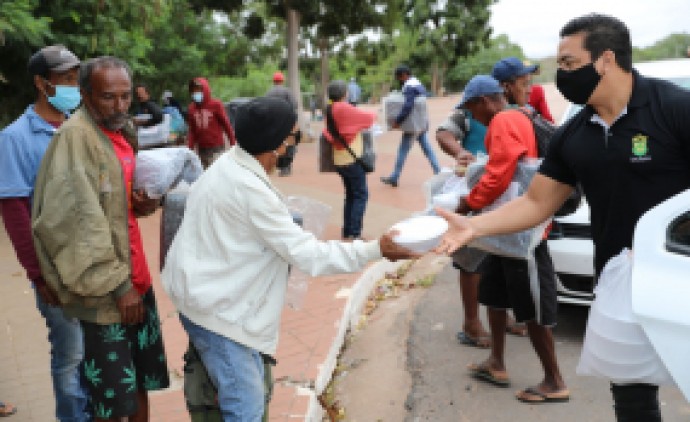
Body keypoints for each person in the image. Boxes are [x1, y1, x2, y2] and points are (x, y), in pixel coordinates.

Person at [435, 13, 690, 420]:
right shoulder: (575, 134)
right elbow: (538, 203)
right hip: (619, 278)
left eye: (569, 63)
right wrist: (473, 225)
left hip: (681, 275)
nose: (561, 75)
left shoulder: (674, 108)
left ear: (605, 60)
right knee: (631, 398)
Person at [161, 96, 419, 420]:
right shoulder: (247, 189)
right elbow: (310, 255)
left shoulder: (229, 164)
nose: (295, 144)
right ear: (277, 145)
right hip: (220, 316)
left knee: (229, 397)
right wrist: (375, 250)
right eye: (293, 137)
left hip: (203, 297)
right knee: (246, 409)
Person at [32, 56, 170, 421]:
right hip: (107, 291)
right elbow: (78, 221)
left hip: (135, 277)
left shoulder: (120, 131)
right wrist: (119, 285)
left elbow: (113, 203)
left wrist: (142, 203)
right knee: (111, 400)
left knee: (139, 381)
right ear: (86, 94)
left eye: (126, 96)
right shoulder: (76, 138)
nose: (120, 105)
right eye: (109, 97)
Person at [452, 74, 569, 403]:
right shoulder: (518, 116)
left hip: (522, 233)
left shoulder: (504, 119)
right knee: (495, 295)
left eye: (473, 108)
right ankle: (496, 362)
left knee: (531, 307)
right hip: (504, 231)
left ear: (487, 100)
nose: (473, 115)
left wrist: (469, 203)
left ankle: (554, 380)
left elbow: (500, 173)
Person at [0, 44, 91, 422]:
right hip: (54, 269)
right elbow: (14, 212)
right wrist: (38, 276)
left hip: (91, 263)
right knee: (70, 355)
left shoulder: (79, 124)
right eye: (65, 79)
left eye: (76, 78)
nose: (74, 85)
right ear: (41, 83)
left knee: (94, 353)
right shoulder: (15, 138)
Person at [435, 83, 491, 348]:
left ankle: (505, 314)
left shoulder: (518, 111)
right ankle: (471, 322)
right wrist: (460, 153)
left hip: (504, 196)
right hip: (474, 193)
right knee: (471, 260)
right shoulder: (466, 114)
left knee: (501, 259)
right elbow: (444, 133)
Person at [323, 80, 376, 240]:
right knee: (360, 195)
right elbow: (369, 118)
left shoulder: (330, 108)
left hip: (339, 159)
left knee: (351, 195)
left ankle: (347, 231)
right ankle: (354, 233)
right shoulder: (343, 108)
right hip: (351, 159)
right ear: (344, 93)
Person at [381, 65, 440, 187]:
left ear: (404, 75)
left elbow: (408, 106)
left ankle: (394, 177)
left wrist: (398, 121)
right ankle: (439, 174)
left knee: (403, 151)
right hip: (421, 124)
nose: (399, 80)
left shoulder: (409, 86)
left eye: (399, 77)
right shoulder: (417, 83)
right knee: (428, 150)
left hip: (413, 126)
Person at [187, 77, 237, 169]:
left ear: (205, 90)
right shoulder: (191, 108)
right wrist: (188, 150)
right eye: (193, 91)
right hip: (202, 150)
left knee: (218, 173)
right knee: (206, 175)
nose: (196, 93)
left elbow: (226, 125)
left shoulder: (216, 105)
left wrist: (233, 144)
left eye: (199, 90)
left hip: (216, 148)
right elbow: (192, 131)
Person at [266, 71, 298, 176]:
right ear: (282, 81)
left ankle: (278, 166)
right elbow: (294, 105)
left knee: (277, 144)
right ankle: (286, 168)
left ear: (274, 81)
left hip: (274, 123)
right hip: (287, 122)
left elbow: (266, 107)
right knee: (289, 144)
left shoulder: (269, 93)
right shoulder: (287, 92)